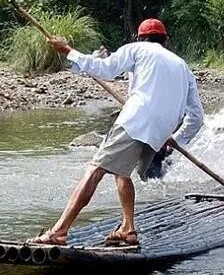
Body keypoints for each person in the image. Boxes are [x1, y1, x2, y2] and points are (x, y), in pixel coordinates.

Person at [28, 19, 204, 246]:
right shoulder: (182, 65)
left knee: (94, 170)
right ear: (165, 40)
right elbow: (197, 117)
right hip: (161, 130)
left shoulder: (137, 49)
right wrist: (174, 139)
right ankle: (128, 228)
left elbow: (105, 69)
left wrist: (69, 51)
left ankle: (59, 231)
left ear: (140, 37)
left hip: (136, 120)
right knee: (122, 172)